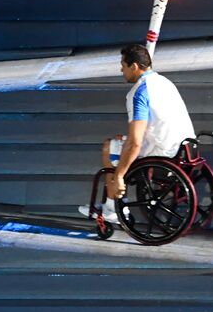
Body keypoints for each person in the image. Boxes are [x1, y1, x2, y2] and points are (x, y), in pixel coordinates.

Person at [80, 43, 196, 223]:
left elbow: (136, 142)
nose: (121, 70)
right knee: (120, 141)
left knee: (108, 147)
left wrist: (119, 176)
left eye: (123, 65)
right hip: (184, 147)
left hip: (162, 153)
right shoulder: (164, 82)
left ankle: (113, 208)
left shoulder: (140, 92)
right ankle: (113, 203)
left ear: (134, 66)